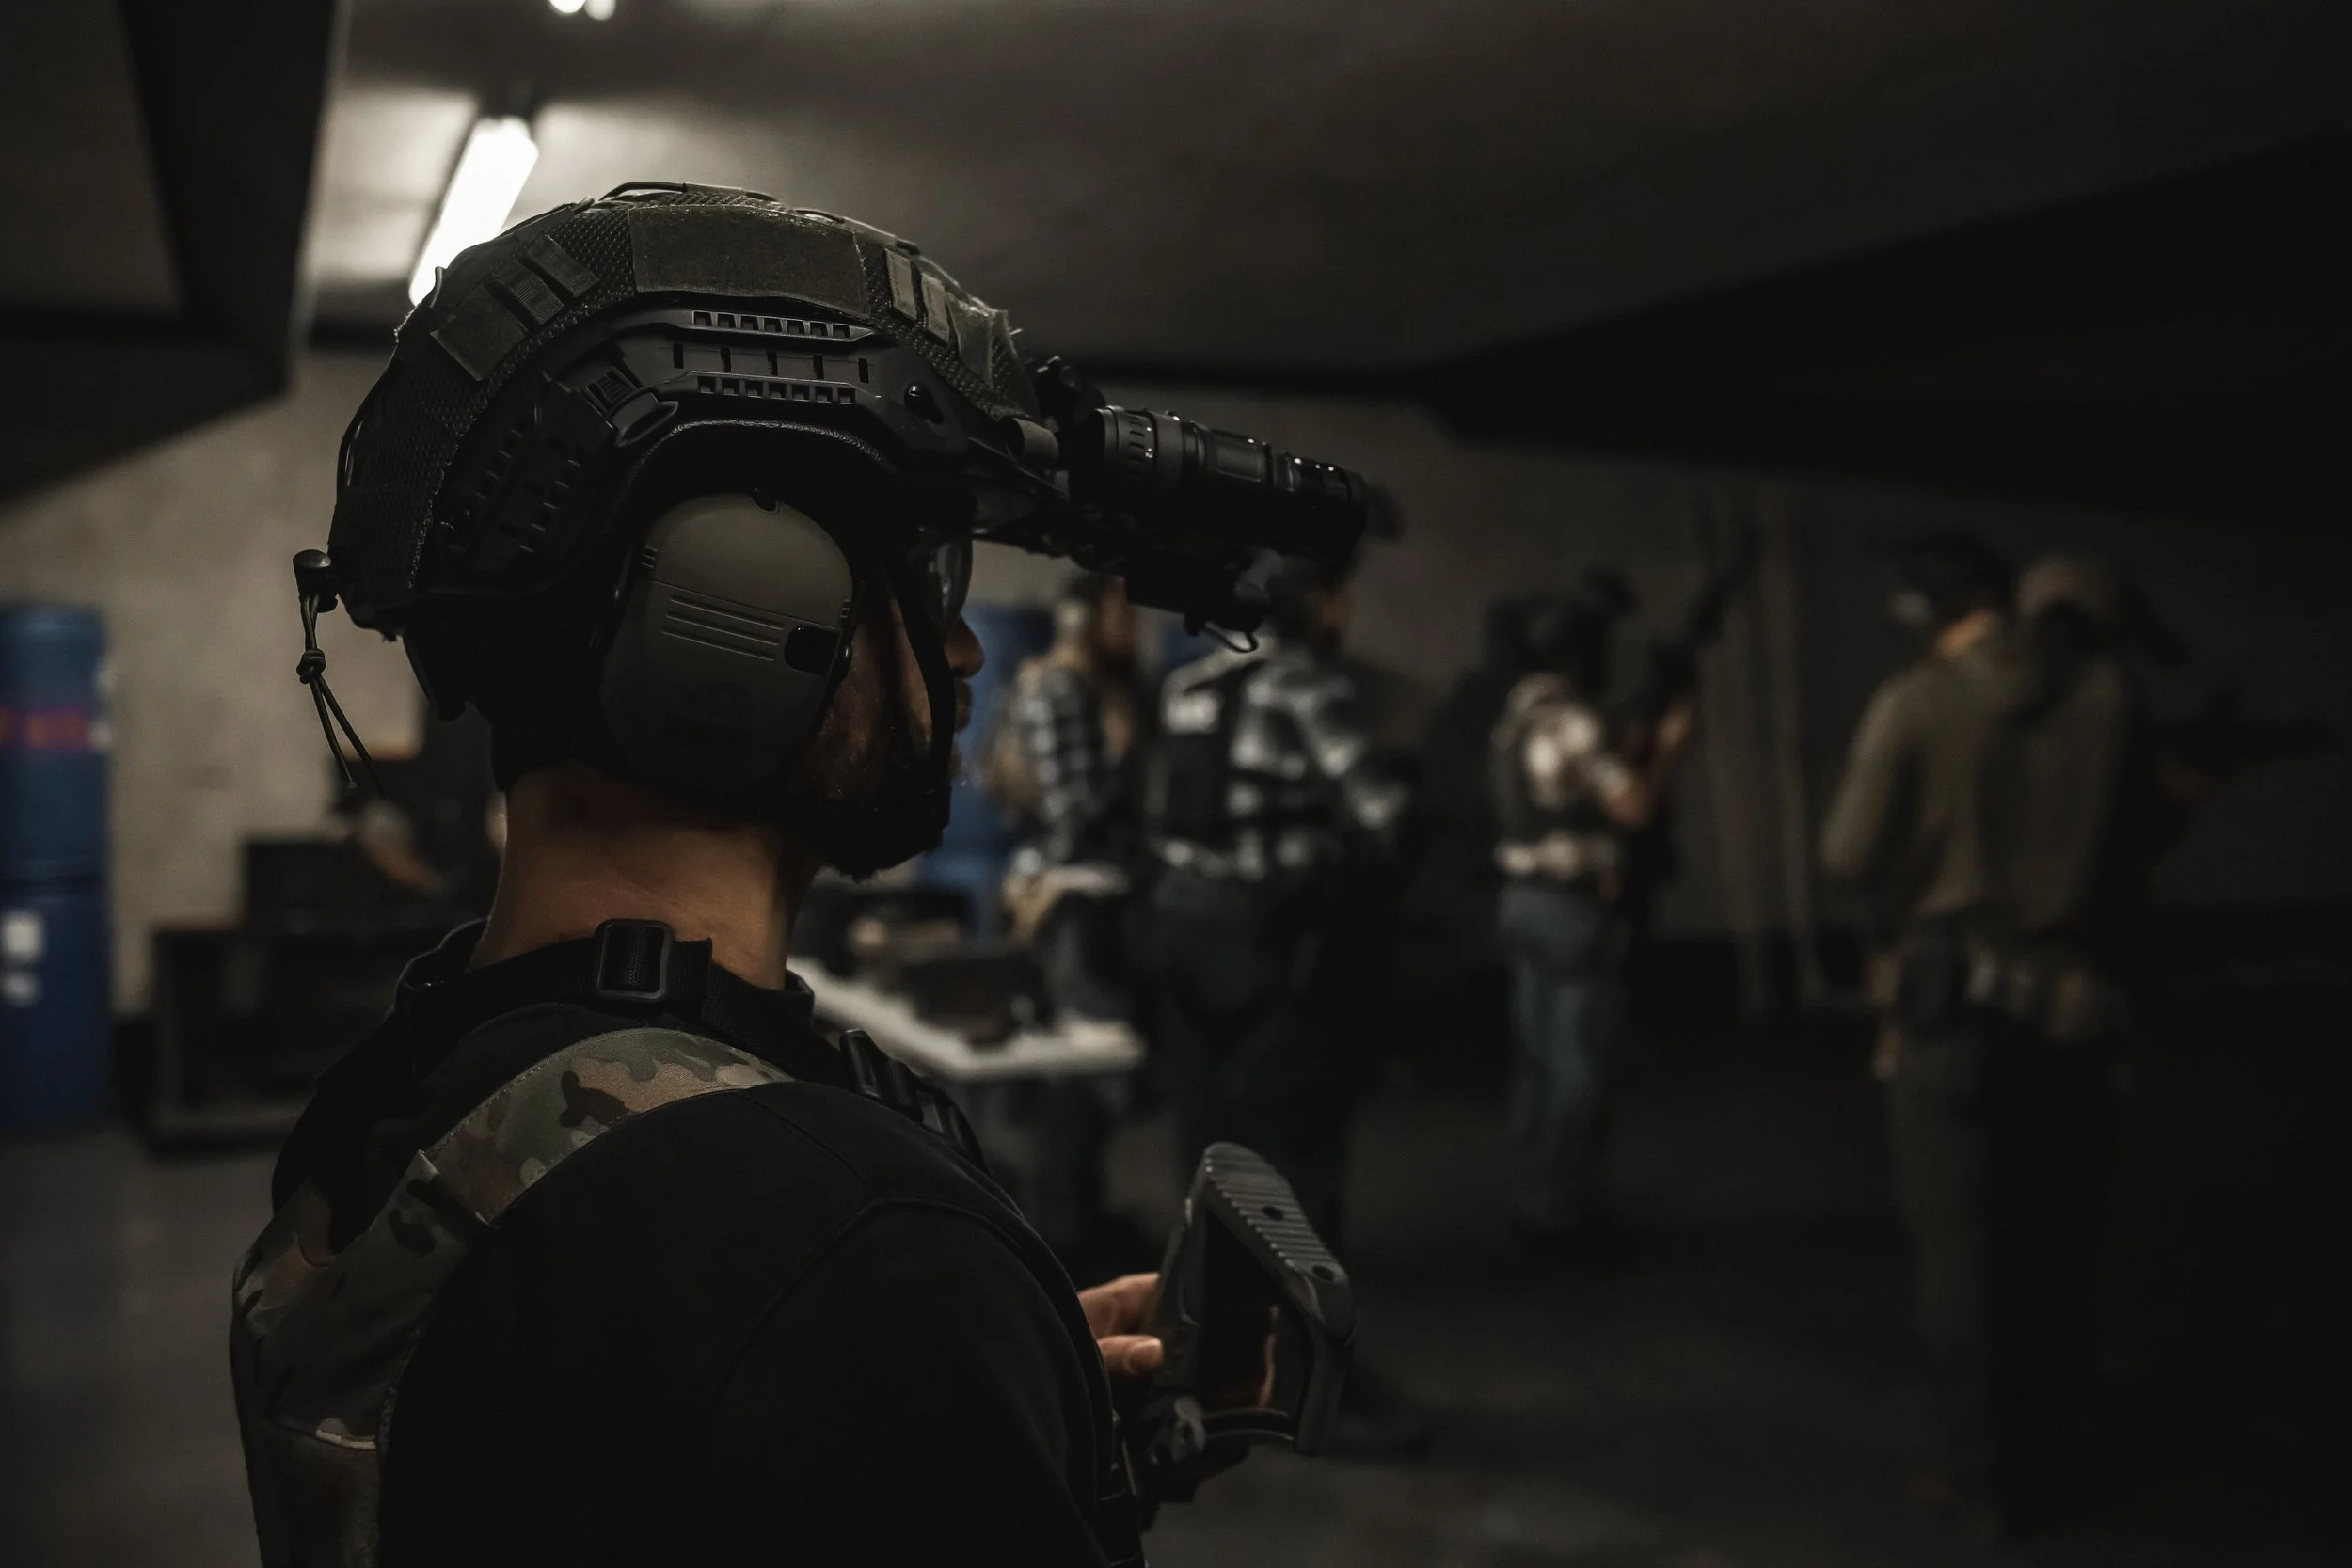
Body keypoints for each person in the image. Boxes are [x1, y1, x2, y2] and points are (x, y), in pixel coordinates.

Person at [230, 187, 1335, 1567]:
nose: (964, 652)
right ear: (739, 620)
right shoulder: (853, 1252)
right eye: (925, 577)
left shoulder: (401, 1101)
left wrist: (984, 1404)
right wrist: (922, 1342)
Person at [1820, 531, 2138, 1537]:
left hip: (1953, 1012)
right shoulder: (2108, 693)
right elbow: (2133, 843)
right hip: (2073, 1009)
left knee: (1961, 1256)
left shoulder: (1916, 701)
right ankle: (2060, 1457)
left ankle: (1984, 1479)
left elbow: (1846, 851)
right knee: (2059, 1247)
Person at [1138, 556, 1422, 1455]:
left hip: (1183, 938)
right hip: (1270, 950)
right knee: (1296, 1170)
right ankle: (1310, 1388)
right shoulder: (1307, 685)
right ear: (1318, 604)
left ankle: (1202, 1368)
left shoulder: (1187, 685)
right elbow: (1383, 820)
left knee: (1208, 1159)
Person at [1488, 587, 1692, 1259]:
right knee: (1580, 1068)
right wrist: (1666, 750)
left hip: (1523, 900)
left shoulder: (1517, 715)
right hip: (1571, 909)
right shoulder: (1571, 719)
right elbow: (1632, 807)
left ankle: (1534, 1196)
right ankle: (1562, 1214)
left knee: (1542, 1061)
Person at [989, 573, 1148, 1269]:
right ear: (1092, 615)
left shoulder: (1060, 685)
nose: (1135, 628)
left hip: (1075, 895)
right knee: (1078, 1072)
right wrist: (1122, 747)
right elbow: (1074, 810)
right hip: (1069, 899)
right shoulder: (1060, 688)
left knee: (1085, 1074)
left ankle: (1075, 1212)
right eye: (1125, 611)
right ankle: (1067, 1235)